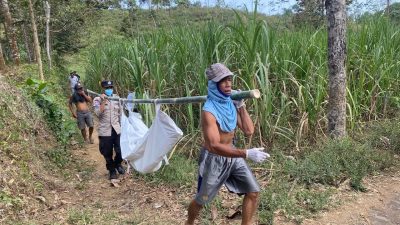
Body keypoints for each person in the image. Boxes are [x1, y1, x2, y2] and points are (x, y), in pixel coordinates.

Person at [185, 63, 269, 225]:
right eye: (223, 80)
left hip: (232, 155)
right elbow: (214, 146)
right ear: (213, 84)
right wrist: (246, 153)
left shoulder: (230, 103)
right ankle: (189, 223)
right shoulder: (208, 111)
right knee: (202, 200)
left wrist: (241, 105)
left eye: (229, 79)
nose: (228, 84)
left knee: (253, 192)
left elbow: (248, 130)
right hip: (213, 159)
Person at [93, 80, 125, 180]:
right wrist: (103, 101)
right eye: (107, 88)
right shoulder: (97, 99)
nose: (109, 89)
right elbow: (98, 113)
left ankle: (118, 163)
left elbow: (120, 114)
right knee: (107, 152)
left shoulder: (116, 99)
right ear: (103, 89)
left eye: (110, 88)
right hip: (105, 130)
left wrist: (122, 127)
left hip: (116, 129)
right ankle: (112, 170)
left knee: (120, 150)